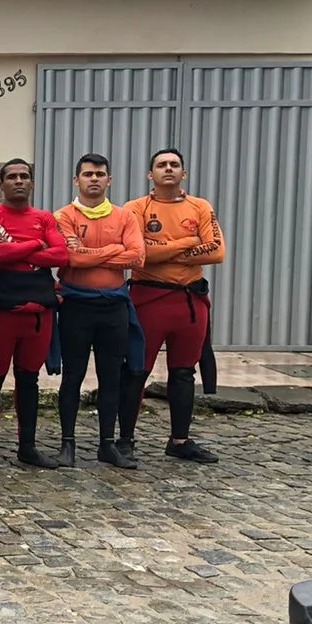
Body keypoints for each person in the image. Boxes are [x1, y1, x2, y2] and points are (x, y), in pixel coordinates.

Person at [119, 148, 225, 463]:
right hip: (148, 299)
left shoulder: (200, 207)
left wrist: (162, 250)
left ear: (184, 173)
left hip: (190, 302)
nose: (169, 169)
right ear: (150, 175)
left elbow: (217, 251)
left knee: (183, 372)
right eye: (162, 165)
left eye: (174, 165)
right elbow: (139, 254)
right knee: (137, 370)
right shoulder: (135, 208)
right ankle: (125, 439)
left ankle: (180, 440)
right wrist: (187, 243)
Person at [0, 159, 68, 471]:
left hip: (37, 315)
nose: (19, 181)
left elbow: (62, 254)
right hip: (1, 313)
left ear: (32, 183)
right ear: (1, 184)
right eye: (12, 177)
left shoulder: (44, 218)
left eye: (24, 176)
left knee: (28, 381)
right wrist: (34, 245)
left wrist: (16, 248)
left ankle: (27, 447)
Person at [54, 152, 144, 470]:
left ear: (109, 180)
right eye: (88, 174)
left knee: (111, 378)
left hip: (114, 307)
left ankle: (108, 444)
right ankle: (67, 444)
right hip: (76, 306)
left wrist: (94, 252)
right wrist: (113, 250)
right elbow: (71, 260)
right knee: (73, 376)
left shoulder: (125, 217)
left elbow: (136, 258)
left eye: (100, 173)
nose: (94, 178)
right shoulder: (63, 216)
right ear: (76, 180)